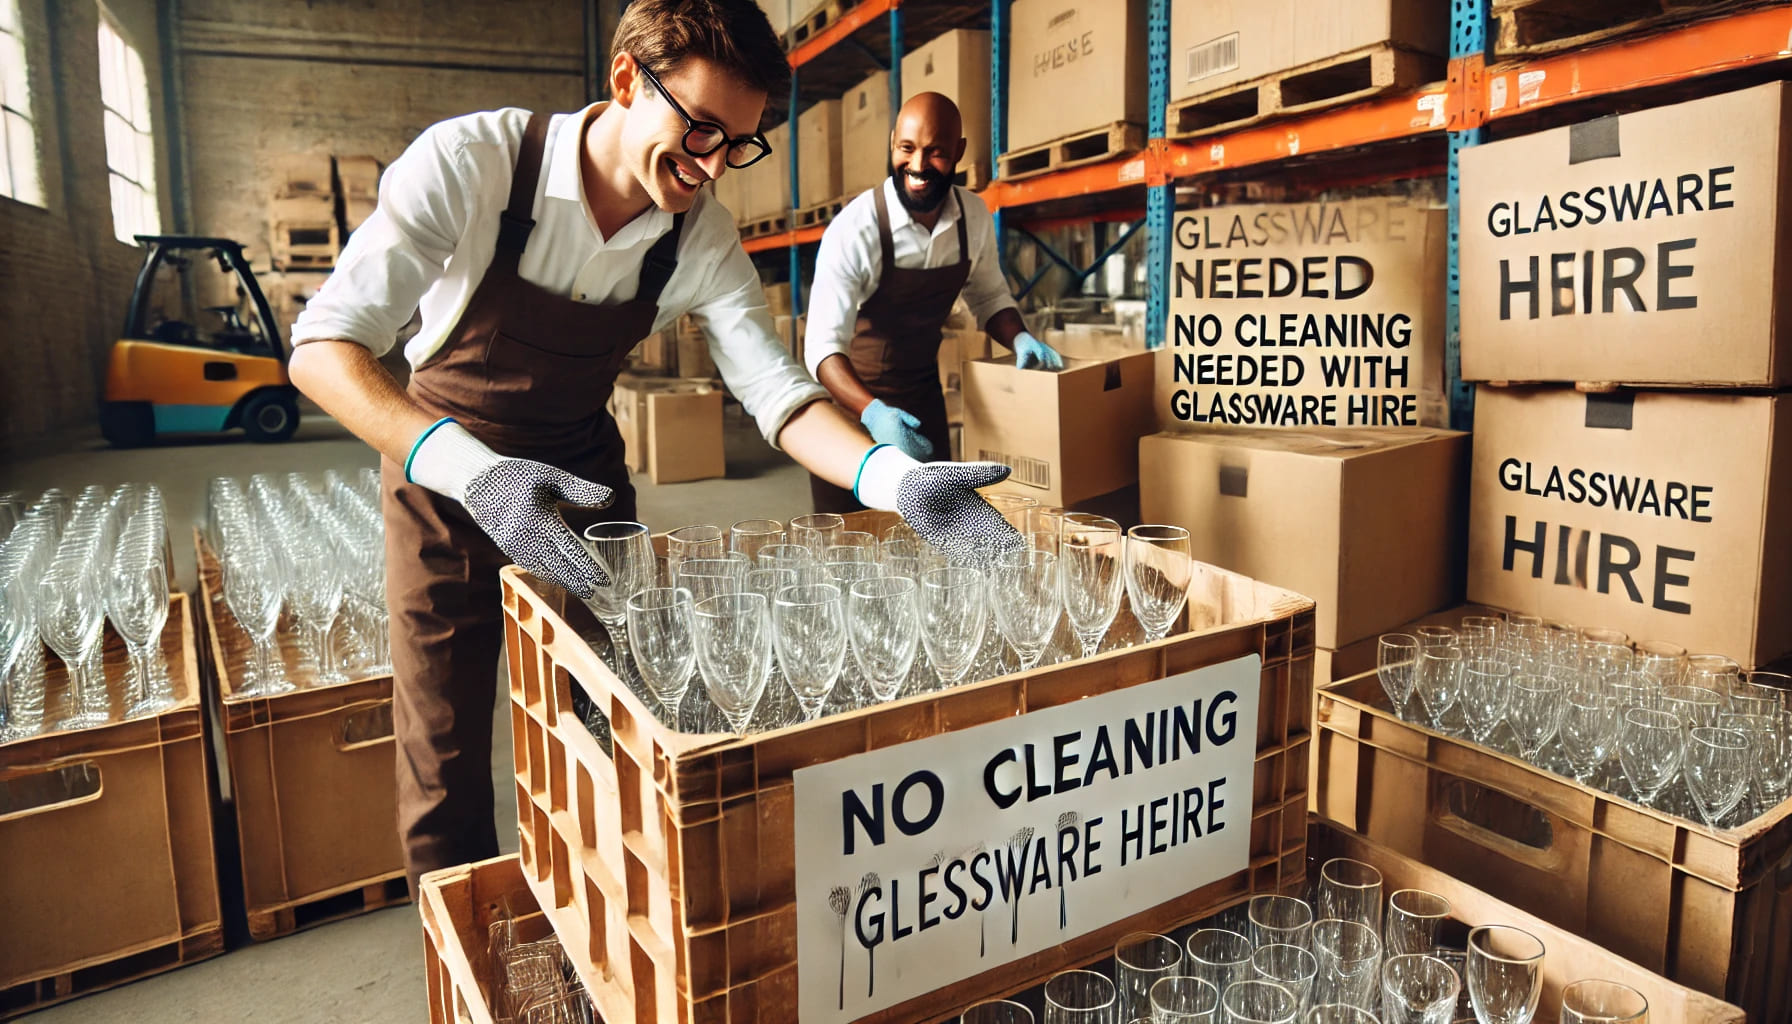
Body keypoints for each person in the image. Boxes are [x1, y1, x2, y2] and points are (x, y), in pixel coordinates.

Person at [285, 0, 1020, 890]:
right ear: (628, 78)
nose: (711, 166)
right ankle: (476, 947)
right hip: (440, 475)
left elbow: (776, 392)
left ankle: (608, 935)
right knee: (442, 754)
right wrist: (476, 476)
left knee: (615, 722)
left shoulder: (698, 234)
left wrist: (889, 477)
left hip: (582, 486)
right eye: (700, 129)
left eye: (737, 145)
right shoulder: (473, 164)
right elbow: (323, 351)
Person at [803, 92, 1063, 513]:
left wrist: (1019, 339)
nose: (919, 165)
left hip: (922, 402)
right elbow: (821, 349)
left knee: (930, 543)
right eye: (907, 149)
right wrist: (873, 413)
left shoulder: (974, 218)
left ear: (959, 152)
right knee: (850, 546)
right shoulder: (854, 229)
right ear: (892, 144)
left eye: (936, 152)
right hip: (852, 411)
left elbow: (989, 295)